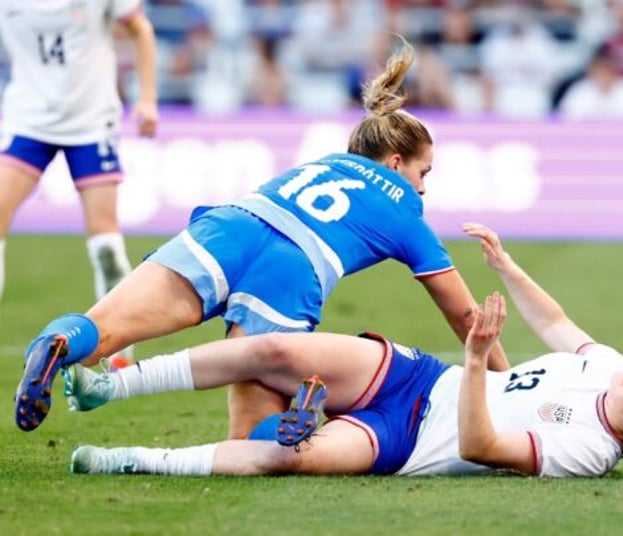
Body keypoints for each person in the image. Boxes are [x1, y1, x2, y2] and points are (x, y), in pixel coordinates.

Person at [14, 36, 509, 438]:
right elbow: (463, 313)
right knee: (250, 437)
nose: (423, 186)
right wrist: (505, 383)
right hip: (292, 271)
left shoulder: (319, 163)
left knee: (103, 329)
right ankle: (295, 417)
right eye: (424, 171)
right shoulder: (406, 210)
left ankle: (56, 341)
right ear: (397, 163)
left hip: (231, 227)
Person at [66, 224, 623, 478]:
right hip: (419, 378)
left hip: (406, 442)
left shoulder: (587, 451)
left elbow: (480, 446)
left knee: (289, 459)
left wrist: (479, 359)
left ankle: (127, 460)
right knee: (276, 351)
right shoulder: (612, 367)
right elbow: (559, 323)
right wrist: (506, 266)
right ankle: (110, 386)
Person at [0, 1, 158, 306]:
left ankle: (120, 353)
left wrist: (147, 98)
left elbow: (140, 29)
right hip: (29, 120)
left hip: (91, 123)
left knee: (106, 246)